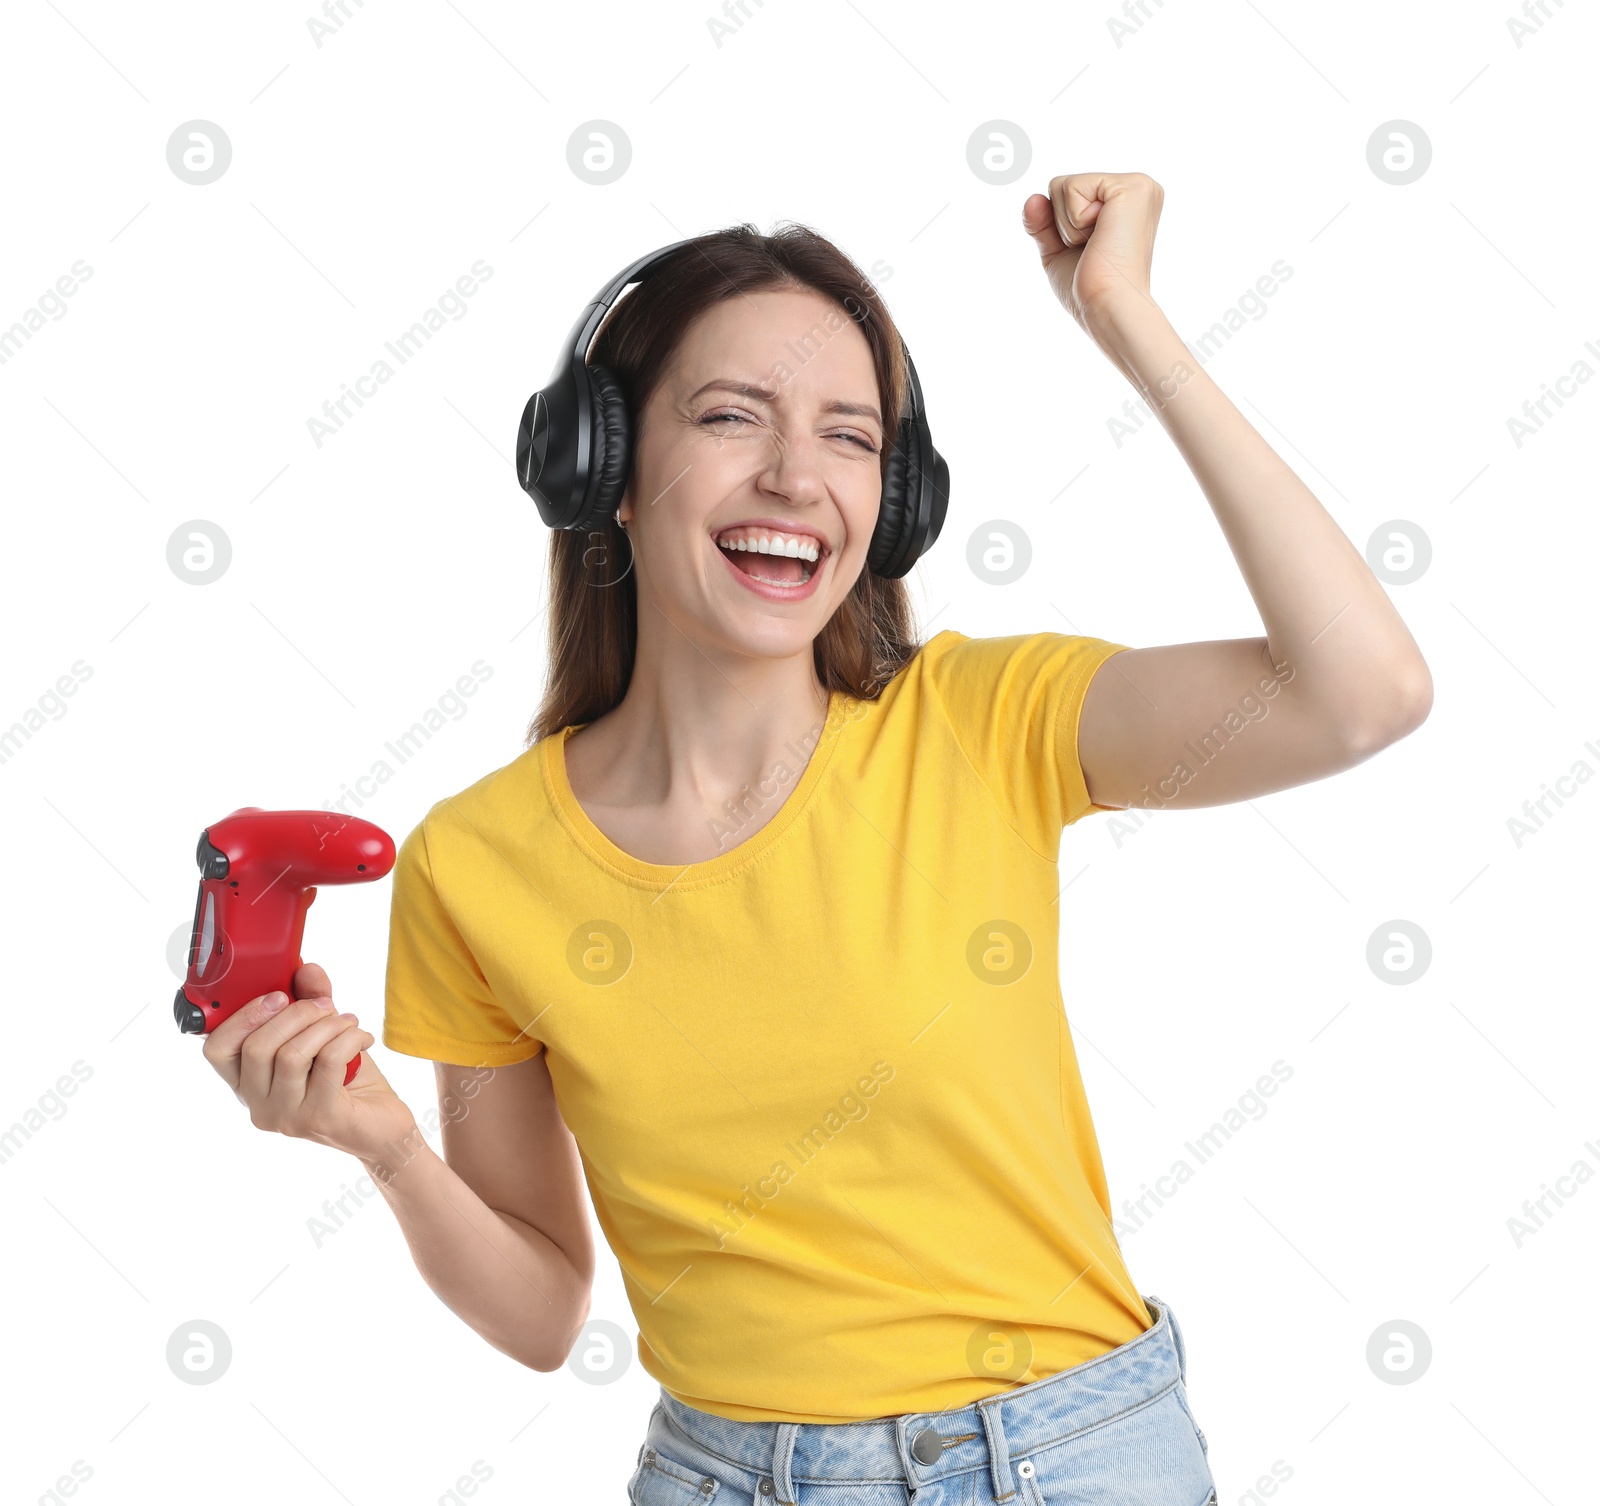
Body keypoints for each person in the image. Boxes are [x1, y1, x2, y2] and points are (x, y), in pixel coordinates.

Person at [203, 175, 1432, 1504]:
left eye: (851, 437)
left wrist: (1124, 315)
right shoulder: (478, 860)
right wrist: (382, 1141)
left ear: (895, 499)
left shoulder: (981, 722)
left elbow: (1361, 690)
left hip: (1075, 1460)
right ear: (599, 467)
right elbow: (543, 1306)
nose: (797, 476)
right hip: (728, 1475)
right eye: (732, 417)